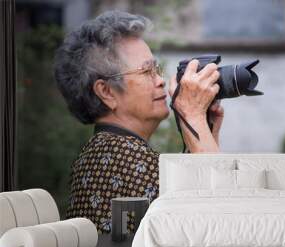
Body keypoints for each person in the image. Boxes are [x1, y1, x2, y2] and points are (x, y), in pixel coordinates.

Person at [54, 11, 224, 233]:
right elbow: (217, 216)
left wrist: (203, 126)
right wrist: (192, 114)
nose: (161, 81)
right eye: (147, 71)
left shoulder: (107, 149)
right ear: (106, 92)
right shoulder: (119, 156)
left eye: (157, 70)